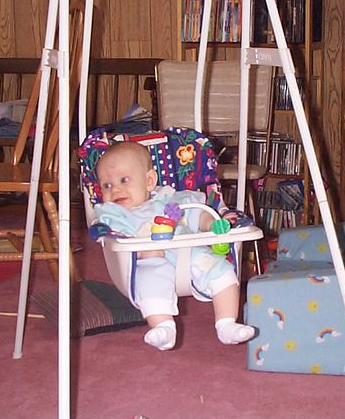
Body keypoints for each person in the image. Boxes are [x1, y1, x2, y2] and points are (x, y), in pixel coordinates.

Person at [94, 141, 255, 351]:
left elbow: (198, 213)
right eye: (107, 185)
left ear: (149, 181)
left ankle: (227, 324)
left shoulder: (171, 200)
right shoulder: (115, 214)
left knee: (222, 270)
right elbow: (116, 236)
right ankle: (164, 328)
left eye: (124, 180)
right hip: (151, 260)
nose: (115, 189)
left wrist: (212, 225)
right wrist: (140, 251)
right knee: (149, 282)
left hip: (191, 253)